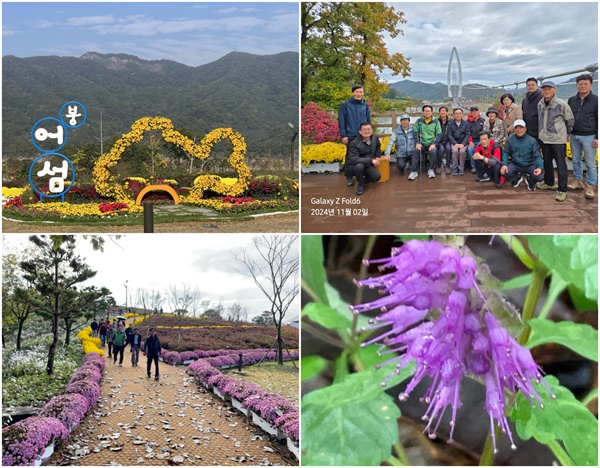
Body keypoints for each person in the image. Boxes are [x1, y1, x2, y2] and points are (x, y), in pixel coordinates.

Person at [537, 80, 574, 202]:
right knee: (547, 162)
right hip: (544, 138)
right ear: (542, 90)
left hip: (558, 139)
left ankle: (562, 189)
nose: (546, 91)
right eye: (544, 89)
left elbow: (570, 120)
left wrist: (566, 134)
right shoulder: (540, 104)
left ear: (554, 90)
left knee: (560, 164)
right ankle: (549, 183)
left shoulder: (561, 104)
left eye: (549, 89)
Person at [567, 73, 598, 199]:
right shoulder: (571, 100)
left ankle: (590, 185)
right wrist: (568, 132)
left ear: (591, 85)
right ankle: (577, 181)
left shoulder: (596, 100)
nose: (583, 86)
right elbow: (568, 117)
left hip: (589, 135)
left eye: (586, 84)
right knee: (576, 159)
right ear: (577, 85)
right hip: (574, 134)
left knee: (590, 163)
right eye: (580, 84)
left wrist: (597, 137)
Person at [339, 85, 371, 186]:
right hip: (351, 135)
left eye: (361, 92)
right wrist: (344, 135)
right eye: (357, 92)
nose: (359, 94)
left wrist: (369, 133)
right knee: (350, 157)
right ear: (353, 93)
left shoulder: (365, 106)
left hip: (363, 135)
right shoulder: (345, 105)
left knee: (363, 155)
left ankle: (361, 175)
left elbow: (368, 121)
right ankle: (349, 176)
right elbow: (341, 121)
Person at [501, 119, 544, 191]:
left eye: (521, 127)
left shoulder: (532, 140)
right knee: (504, 171)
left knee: (539, 177)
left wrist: (540, 167)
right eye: (516, 128)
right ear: (514, 129)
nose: (519, 130)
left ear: (525, 128)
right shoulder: (510, 139)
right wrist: (504, 164)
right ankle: (517, 178)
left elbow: (537, 156)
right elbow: (505, 152)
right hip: (515, 164)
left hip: (529, 164)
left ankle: (530, 180)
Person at [346, 122, 381, 195]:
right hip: (355, 165)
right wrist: (371, 160)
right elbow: (354, 159)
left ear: (372, 130)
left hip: (368, 164)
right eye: (364, 130)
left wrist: (377, 157)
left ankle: (363, 180)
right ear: (360, 132)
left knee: (377, 177)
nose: (367, 131)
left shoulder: (375, 138)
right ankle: (360, 184)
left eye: (368, 129)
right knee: (359, 167)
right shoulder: (354, 143)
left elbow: (378, 147)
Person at [413, 105, 442, 179]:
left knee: (433, 152)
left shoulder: (435, 121)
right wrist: (417, 143)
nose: (427, 113)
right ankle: (414, 171)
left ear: (431, 112)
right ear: (423, 112)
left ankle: (430, 169)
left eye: (429, 111)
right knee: (416, 151)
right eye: (425, 111)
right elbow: (415, 133)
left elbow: (439, 134)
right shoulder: (419, 121)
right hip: (421, 143)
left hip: (431, 143)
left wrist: (434, 144)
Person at [448, 108, 470, 175]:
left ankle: (461, 168)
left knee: (462, 151)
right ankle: (454, 167)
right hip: (454, 142)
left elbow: (468, 134)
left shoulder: (466, 123)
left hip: (463, 142)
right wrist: (455, 143)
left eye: (459, 113)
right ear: (454, 115)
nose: (458, 115)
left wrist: (463, 144)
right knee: (455, 151)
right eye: (456, 114)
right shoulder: (450, 123)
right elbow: (449, 135)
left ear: (462, 114)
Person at [521, 77, 543, 143]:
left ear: (537, 86)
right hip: (527, 133)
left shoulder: (542, 98)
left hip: (539, 134)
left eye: (533, 85)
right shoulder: (524, 100)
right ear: (526, 87)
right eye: (528, 85)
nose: (530, 87)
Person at [466, 107, 485, 173]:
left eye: (476, 111)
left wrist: (483, 141)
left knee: (483, 148)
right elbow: (468, 133)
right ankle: (473, 166)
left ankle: (482, 165)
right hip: (472, 141)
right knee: (470, 149)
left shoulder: (482, 120)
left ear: (478, 112)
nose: (475, 113)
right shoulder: (467, 122)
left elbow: (484, 132)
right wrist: (470, 141)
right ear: (470, 113)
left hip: (481, 140)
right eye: (473, 111)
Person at [437, 106, 452, 174]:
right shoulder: (436, 121)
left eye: (444, 111)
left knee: (448, 148)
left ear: (447, 112)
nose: (443, 112)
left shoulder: (451, 121)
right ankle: (439, 165)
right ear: (439, 112)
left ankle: (448, 165)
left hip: (448, 140)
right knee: (441, 149)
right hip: (439, 141)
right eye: (441, 111)